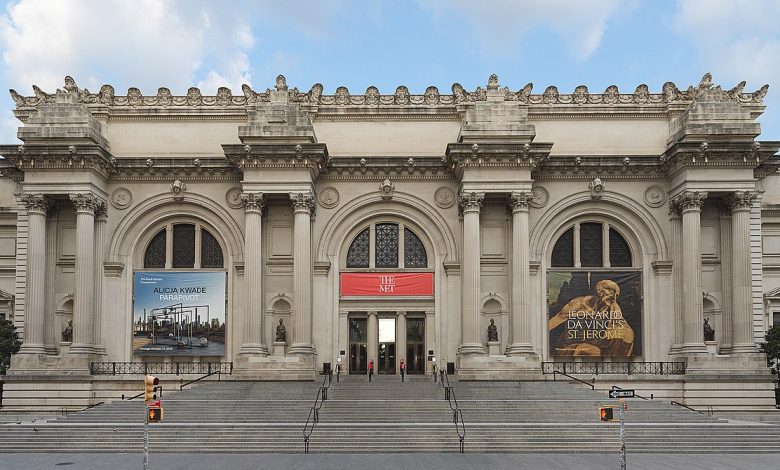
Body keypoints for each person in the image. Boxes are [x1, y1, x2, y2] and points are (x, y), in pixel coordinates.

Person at [548, 278, 634, 356]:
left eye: (617, 295)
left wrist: (624, 335)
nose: (614, 298)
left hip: (599, 344)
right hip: (571, 345)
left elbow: (623, 326)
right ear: (599, 290)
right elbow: (556, 319)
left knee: (624, 341)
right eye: (611, 292)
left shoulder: (613, 307)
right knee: (592, 351)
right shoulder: (579, 303)